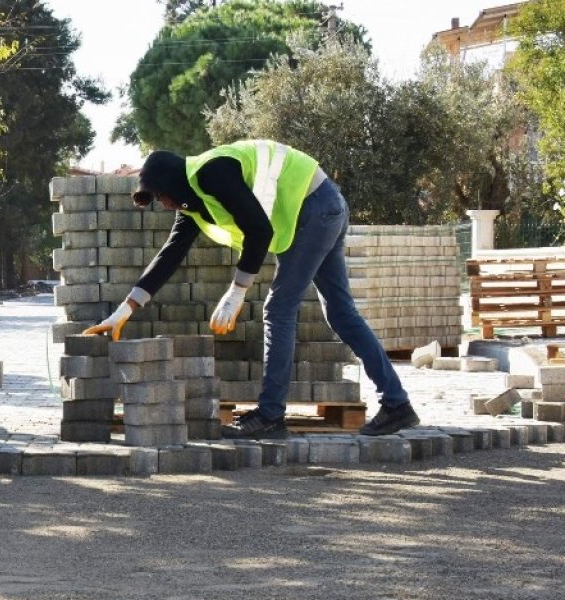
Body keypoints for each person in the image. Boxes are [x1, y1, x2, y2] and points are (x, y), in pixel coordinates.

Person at [85, 140, 418, 439]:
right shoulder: (194, 202)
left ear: (172, 181)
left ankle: (271, 415)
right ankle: (396, 404)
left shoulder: (212, 173)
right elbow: (169, 255)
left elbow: (259, 229)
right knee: (341, 314)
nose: (163, 203)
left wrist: (237, 291)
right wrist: (124, 311)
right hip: (324, 204)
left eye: (159, 194)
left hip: (314, 208)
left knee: (278, 310)